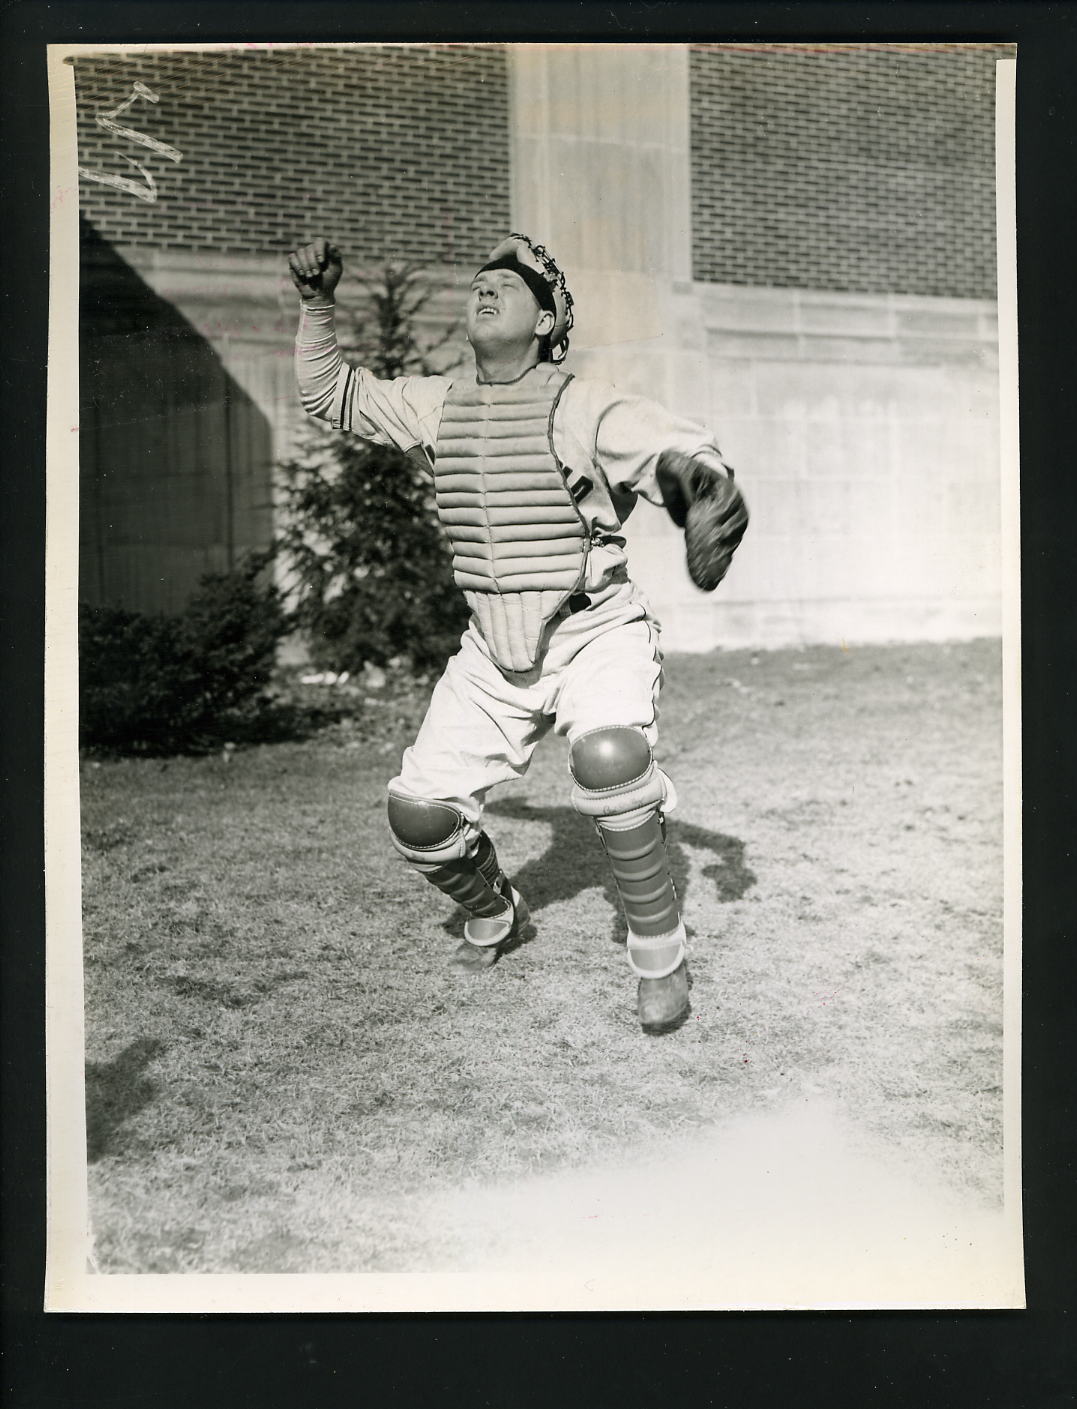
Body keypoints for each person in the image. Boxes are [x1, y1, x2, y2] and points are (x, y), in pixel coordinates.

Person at [288, 233, 747, 1032]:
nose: (486, 291)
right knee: (418, 816)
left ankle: (659, 954)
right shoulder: (436, 402)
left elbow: (678, 446)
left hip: (593, 626)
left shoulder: (583, 404)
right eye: (479, 283)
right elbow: (332, 395)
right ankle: (497, 908)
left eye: (510, 284)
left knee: (609, 760)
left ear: (546, 321)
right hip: (492, 646)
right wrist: (316, 304)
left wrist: (698, 485)